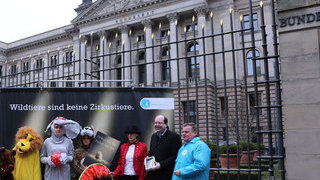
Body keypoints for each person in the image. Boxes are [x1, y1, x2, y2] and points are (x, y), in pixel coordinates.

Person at [145, 115, 181, 180]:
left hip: (166, 175)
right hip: (152, 175)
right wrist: (148, 157)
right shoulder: (153, 136)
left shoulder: (174, 137)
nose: (157, 124)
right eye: (155, 123)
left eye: (160, 123)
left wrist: (160, 165)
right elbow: (151, 151)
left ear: (166, 124)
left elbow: (175, 156)